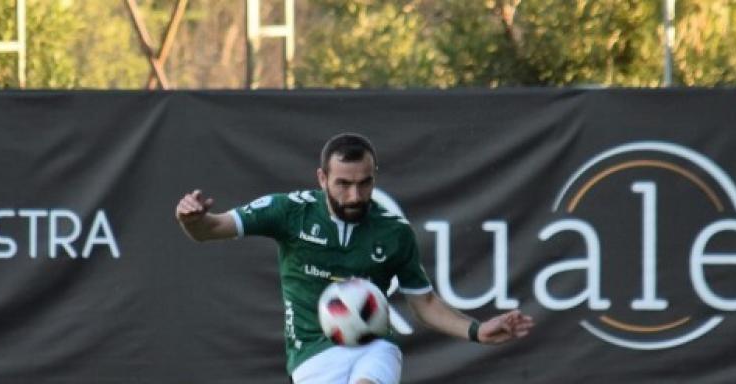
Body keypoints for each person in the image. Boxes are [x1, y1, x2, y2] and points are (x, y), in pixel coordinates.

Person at [175, 133, 534, 384]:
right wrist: (192, 219)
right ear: (322, 178)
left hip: (374, 343)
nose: (354, 195)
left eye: (364, 183)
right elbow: (212, 228)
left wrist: (476, 331)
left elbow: (423, 302)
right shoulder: (289, 212)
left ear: (374, 177)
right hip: (312, 352)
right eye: (343, 184)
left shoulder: (393, 231)